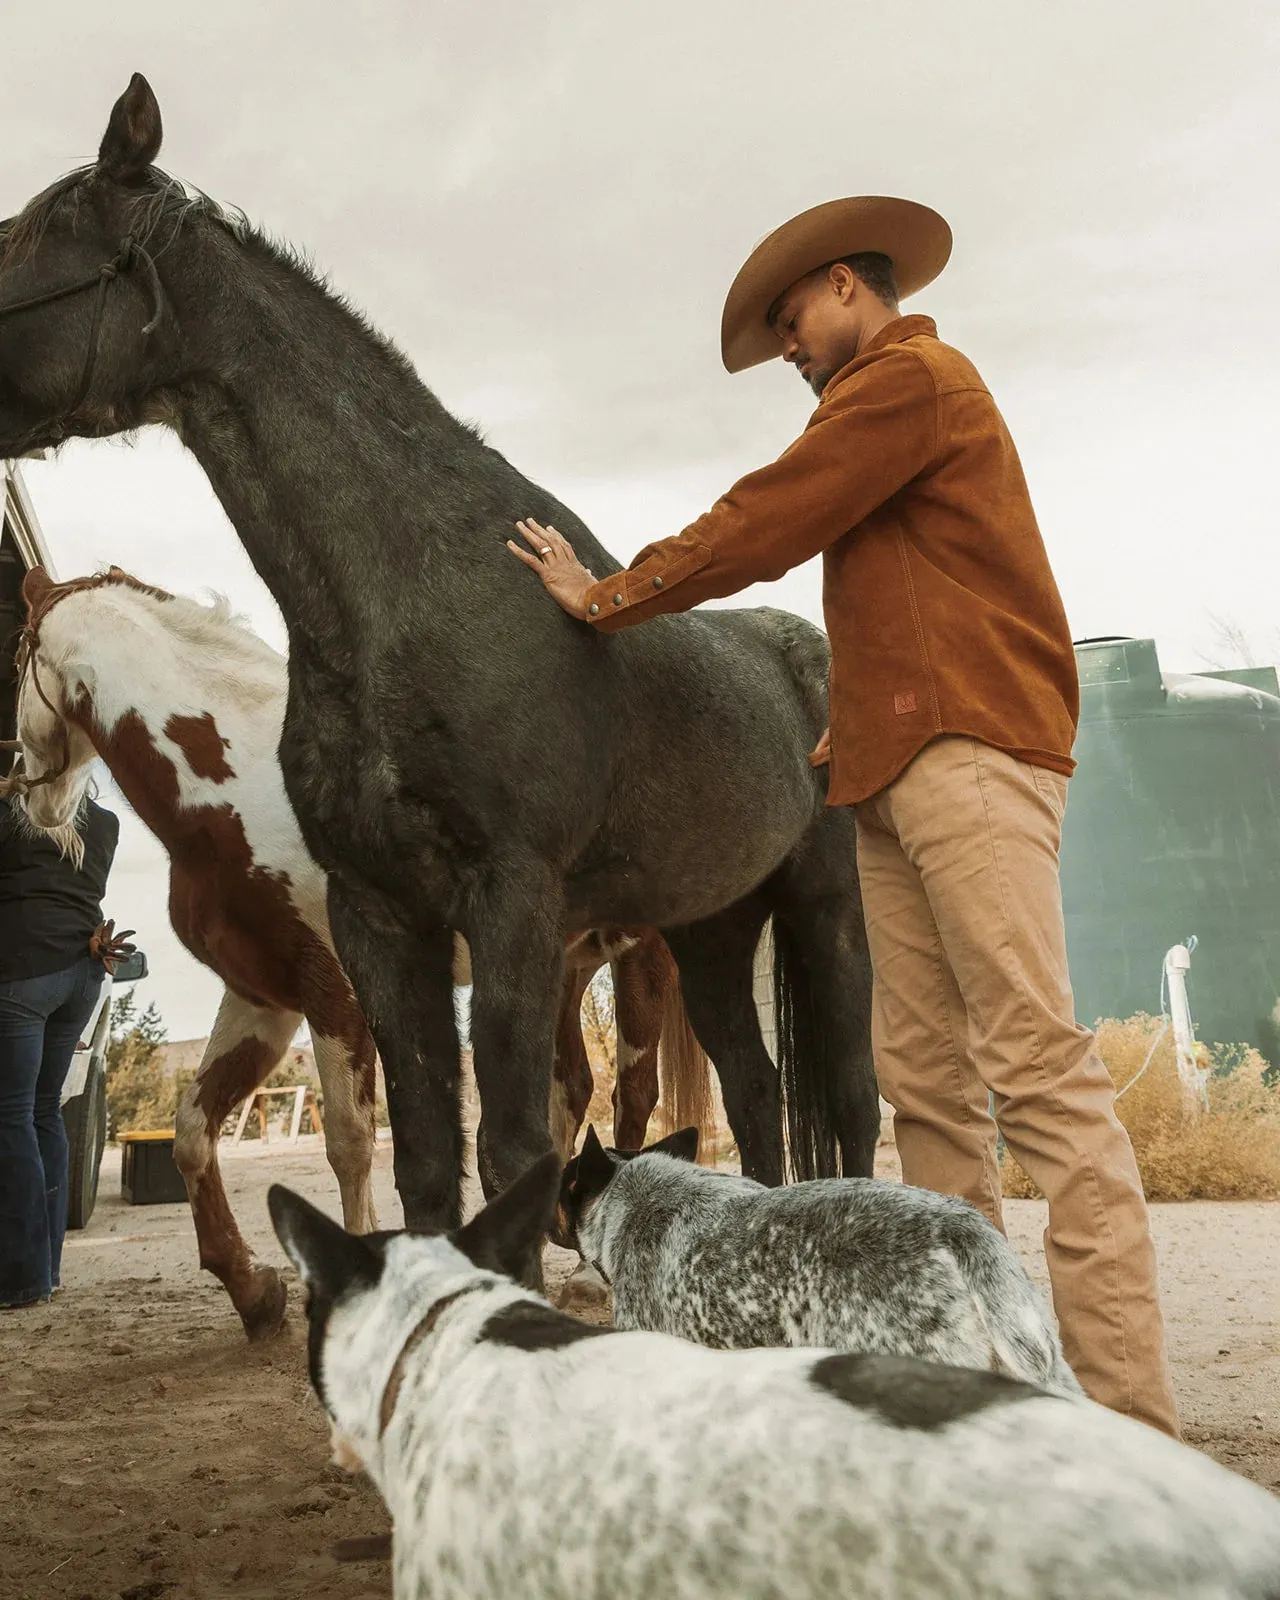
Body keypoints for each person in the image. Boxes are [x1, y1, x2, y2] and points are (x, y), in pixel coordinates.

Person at [506, 195, 1179, 1437]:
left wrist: (605, 594)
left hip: (969, 756)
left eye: (788, 322)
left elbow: (765, 519)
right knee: (923, 1088)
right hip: (893, 773)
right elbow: (908, 593)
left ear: (843, 287)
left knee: (1033, 1073)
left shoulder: (907, 380)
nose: (786, 350)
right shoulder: (885, 416)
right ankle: (977, 1409)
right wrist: (847, 727)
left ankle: (1132, 1431)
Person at [0, 791, 132, 1309]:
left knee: (10, 1116)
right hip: (81, 976)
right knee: (42, 1112)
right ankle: (46, 1271)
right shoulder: (105, 823)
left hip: (23, 971)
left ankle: (20, 1278)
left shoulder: (11, 816)